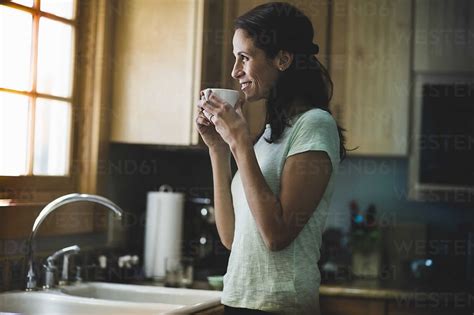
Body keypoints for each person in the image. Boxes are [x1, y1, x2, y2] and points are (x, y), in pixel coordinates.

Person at [195, 2, 346, 314]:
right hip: (237, 301)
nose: (234, 71)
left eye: (245, 57)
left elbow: (276, 236)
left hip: (281, 306)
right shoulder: (267, 136)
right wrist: (218, 148)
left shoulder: (315, 125)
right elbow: (230, 238)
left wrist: (239, 142)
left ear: (283, 59)